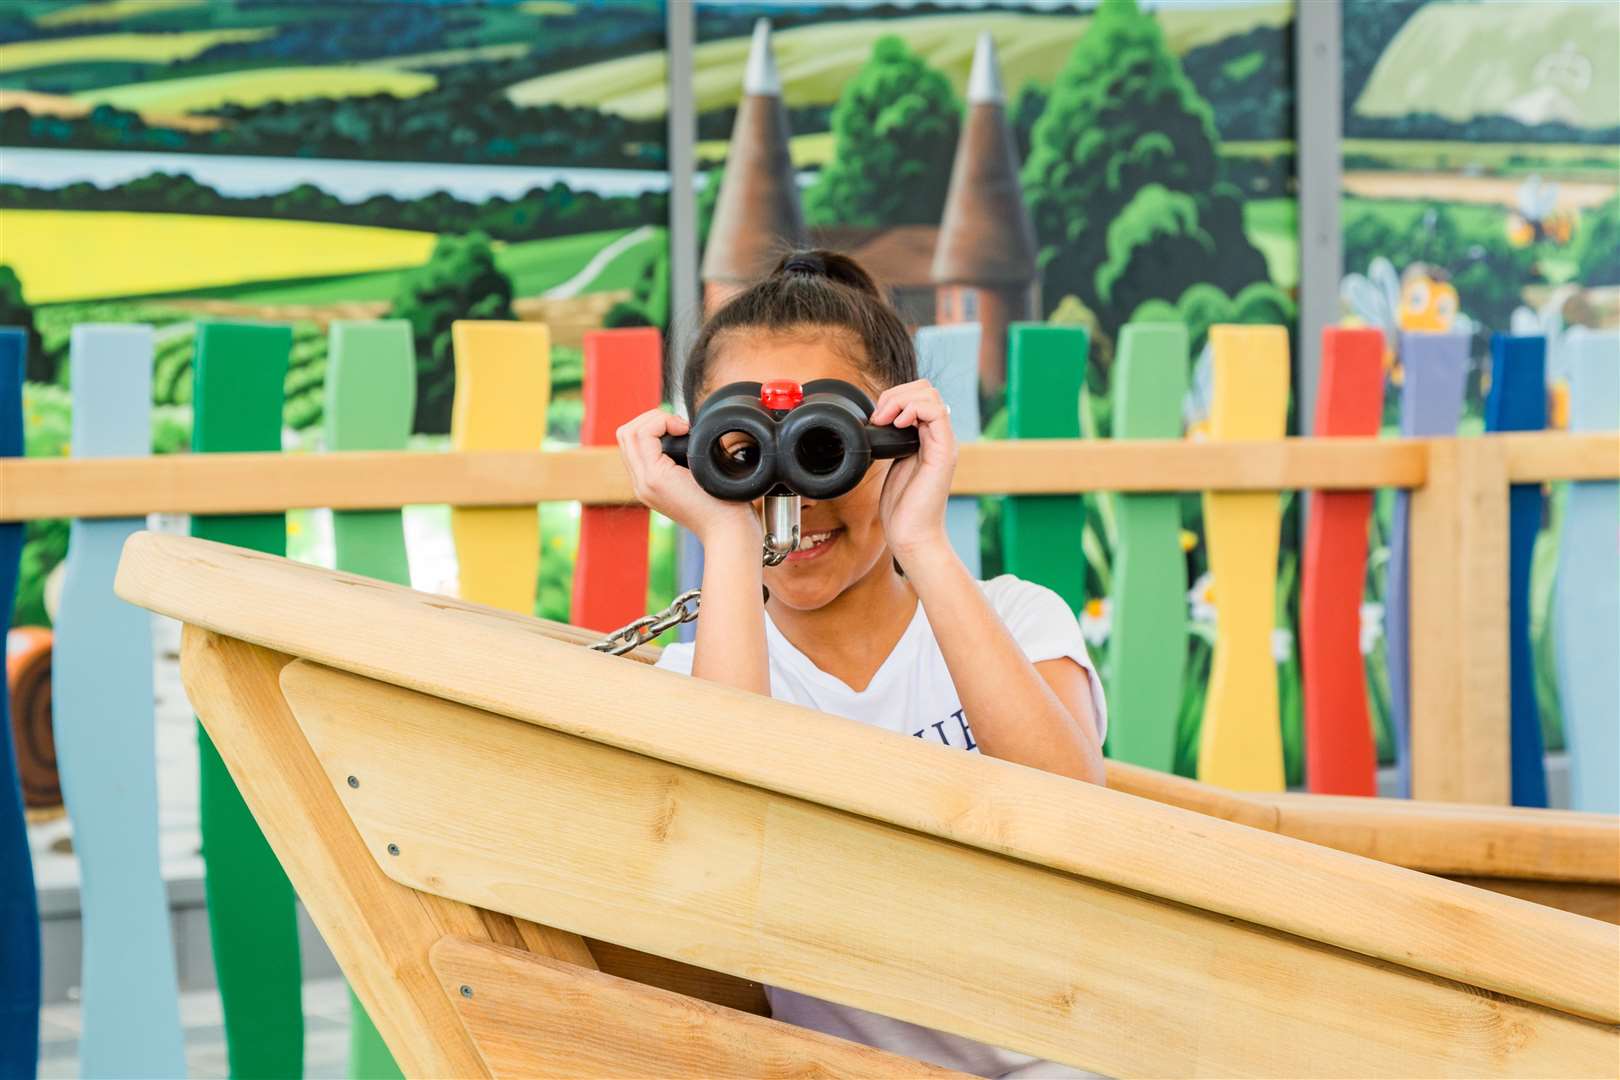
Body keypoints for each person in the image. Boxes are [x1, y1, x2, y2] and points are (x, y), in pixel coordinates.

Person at [615, 250, 1108, 1079]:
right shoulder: (706, 683)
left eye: (824, 446)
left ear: (895, 437)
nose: (792, 495)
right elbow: (729, 843)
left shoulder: (1016, 620)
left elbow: (1074, 821)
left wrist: (921, 535)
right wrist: (729, 538)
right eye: (743, 455)